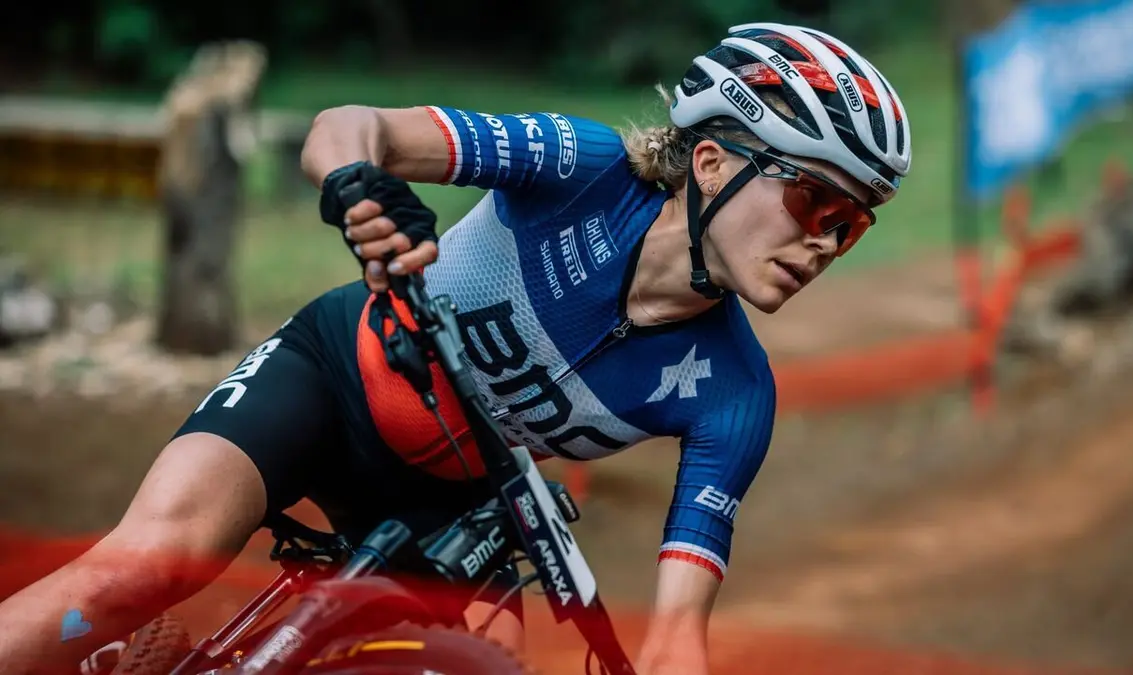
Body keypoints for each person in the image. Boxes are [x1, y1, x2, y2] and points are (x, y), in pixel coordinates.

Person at [0, 21, 911, 675]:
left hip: (467, 503)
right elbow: (350, 124)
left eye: (853, 225)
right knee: (143, 570)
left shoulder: (735, 392)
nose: (825, 242)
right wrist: (357, 182)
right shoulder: (579, 165)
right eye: (815, 202)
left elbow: (676, 636)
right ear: (712, 162)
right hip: (332, 381)